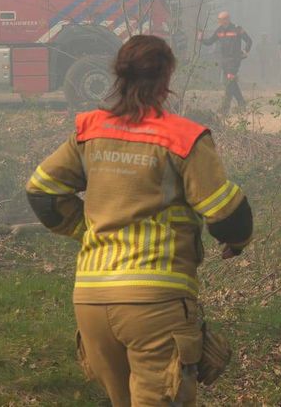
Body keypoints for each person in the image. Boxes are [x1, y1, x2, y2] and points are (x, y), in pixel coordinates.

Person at [25, 35, 253, 406]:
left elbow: (42, 191)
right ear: (166, 79)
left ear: (119, 74)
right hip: (155, 304)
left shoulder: (91, 131)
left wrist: (86, 230)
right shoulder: (182, 137)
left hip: (92, 302)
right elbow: (226, 212)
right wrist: (237, 241)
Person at [199, 11, 252, 115]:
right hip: (225, 61)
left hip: (235, 60)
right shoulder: (219, 30)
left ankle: (226, 108)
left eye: (220, 19)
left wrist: (246, 51)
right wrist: (201, 39)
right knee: (230, 83)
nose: (218, 22)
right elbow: (210, 42)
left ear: (227, 19)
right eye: (218, 19)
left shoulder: (237, 28)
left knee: (229, 81)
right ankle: (240, 103)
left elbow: (249, 41)